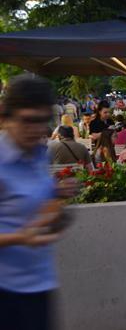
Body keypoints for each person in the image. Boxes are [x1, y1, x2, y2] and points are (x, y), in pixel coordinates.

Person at [0, 74, 76, 329]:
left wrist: (58, 200)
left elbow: (40, 213)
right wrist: (21, 238)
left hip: (41, 284)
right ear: (5, 118)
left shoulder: (37, 155)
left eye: (42, 121)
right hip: (6, 292)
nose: (36, 129)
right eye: (28, 120)